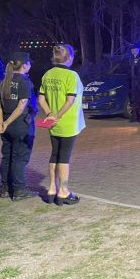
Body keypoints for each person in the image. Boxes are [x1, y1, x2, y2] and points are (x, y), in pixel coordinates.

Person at [37, 44, 84, 205]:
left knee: (55, 154)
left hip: (52, 124)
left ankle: (52, 188)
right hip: (68, 122)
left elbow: (41, 98)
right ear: (69, 58)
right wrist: (58, 115)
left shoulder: (47, 74)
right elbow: (70, 101)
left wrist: (50, 114)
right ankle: (63, 191)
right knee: (64, 157)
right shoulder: (72, 75)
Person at [0, 52, 37, 201]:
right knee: (19, 158)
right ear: (24, 65)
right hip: (20, 126)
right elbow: (21, 106)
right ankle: (19, 190)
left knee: (7, 157)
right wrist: (6, 122)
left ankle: (5, 189)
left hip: (6, 127)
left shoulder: (4, 81)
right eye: (29, 62)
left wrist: (1, 122)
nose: (30, 65)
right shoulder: (24, 82)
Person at [128, 44, 140, 122]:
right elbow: (130, 69)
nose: (134, 51)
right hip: (134, 80)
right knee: (135, 98)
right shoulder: (131, 58)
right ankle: (135, 116)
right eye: (132, 50)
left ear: (138, 50)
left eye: (135, 49)